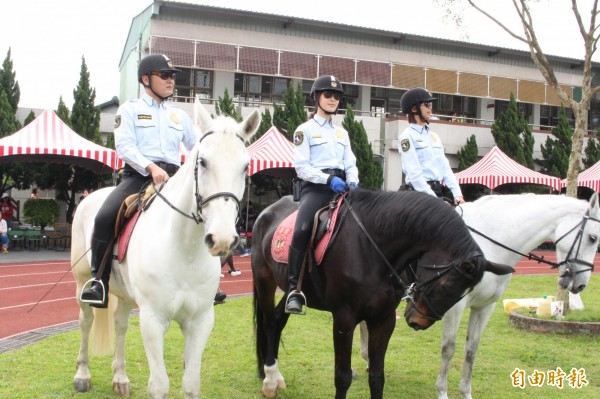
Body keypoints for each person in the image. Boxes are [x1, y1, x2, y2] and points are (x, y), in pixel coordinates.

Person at [80, 54, 198, 308]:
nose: (171, 80)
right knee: (104, 217)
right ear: (146, 79)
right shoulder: (130, 110)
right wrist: (151, 166)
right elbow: (124, 147)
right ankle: (98, 282)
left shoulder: (180, 117)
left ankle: (208, 282)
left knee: (204, 214)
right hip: (139, 176)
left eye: (172, 76)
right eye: (164, 75)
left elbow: (196, 147)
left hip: (175, 177)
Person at [286, 75, 359, 315]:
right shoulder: (303, 131)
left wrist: (354, 180)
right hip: (317, 189)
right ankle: (293, 291)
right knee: (302, 229)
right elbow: (302, 167)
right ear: (316, 97)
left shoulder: (342, 133)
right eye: (328, 94)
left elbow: (351, 161)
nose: (333, 99)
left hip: (344, 187)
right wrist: (328, 179)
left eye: (337, 96)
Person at [397, 88, 465, 205]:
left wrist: (457, 194)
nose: (430, 108)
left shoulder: (435, 137)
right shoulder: (406, 137)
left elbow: (445, 168)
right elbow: (414, 174)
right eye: (426, 104)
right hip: (417, 195)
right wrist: (436, 202)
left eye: (430, 105)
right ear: (414, 109)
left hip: (437, 192)